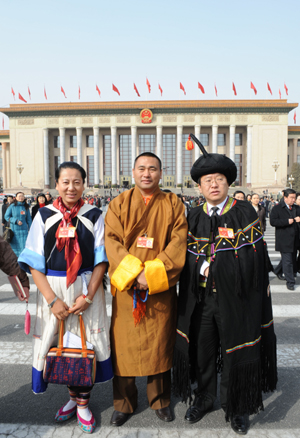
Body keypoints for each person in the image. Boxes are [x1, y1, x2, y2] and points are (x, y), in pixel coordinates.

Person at [173, 134, 277, 436]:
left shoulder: (244, 212)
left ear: (228, 182)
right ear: (199, 186)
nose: (213, 184)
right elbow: (183, 255)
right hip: (202, 299)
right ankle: (205, 397)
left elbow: (254, 258)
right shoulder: (192, 215)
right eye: (207, 181)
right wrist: (200, 266)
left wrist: (218, 265)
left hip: (236, 298)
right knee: (203, 350)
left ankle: (236, 405)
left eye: (219, 179)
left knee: (234, 350)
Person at [18, 162, 113, 434]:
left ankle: (82, 403)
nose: (71, 187)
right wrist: (51, 300)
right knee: (55, 343)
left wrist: (89, 295)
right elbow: (35, 262)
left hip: (85, 288)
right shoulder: (43, 214)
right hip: (53, 287)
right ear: (57, 184)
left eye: (77, 182)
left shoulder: (94, 214)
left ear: (84, 184)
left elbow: (101, 260)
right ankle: (72, 399)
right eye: (65, 182)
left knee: (86, 344)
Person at [105, 152, 187, 427]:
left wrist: (150, 274)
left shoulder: (173, 203)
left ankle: (160, 400)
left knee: (159, 344)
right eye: (142, 168)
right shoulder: (119, 202)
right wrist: (135, 273)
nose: (147, 173)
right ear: (133, 171)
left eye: (153, 169)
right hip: (128, 288)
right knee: (124, 347)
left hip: (158, 288)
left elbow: (178, 242)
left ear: (161, 173)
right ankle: (124, 403)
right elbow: (111, 242)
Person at [270, 188, 300, 291]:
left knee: (290, 259)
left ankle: (278, 271)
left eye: (294, 198)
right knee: (288, 262)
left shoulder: (297, 208)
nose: (293, 200)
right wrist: (287, 221)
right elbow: (273, 221)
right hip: (284, 239)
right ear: (285, 197)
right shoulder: (277, 209)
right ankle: (290, 282)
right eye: (291, 198)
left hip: (295, 239)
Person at [5, 192, 32, 257]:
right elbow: (6, 217)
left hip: (24, 231)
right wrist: (15, 221)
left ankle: (23, 263)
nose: (21, 197)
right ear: (16, 198)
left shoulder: (26, 207)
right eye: (19, 196)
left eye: (22, 196)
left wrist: (31, 229)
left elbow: (29, 219)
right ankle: (16, 263)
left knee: (24, 247)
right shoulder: (12, 206)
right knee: (15, 248)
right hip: (14, 231)